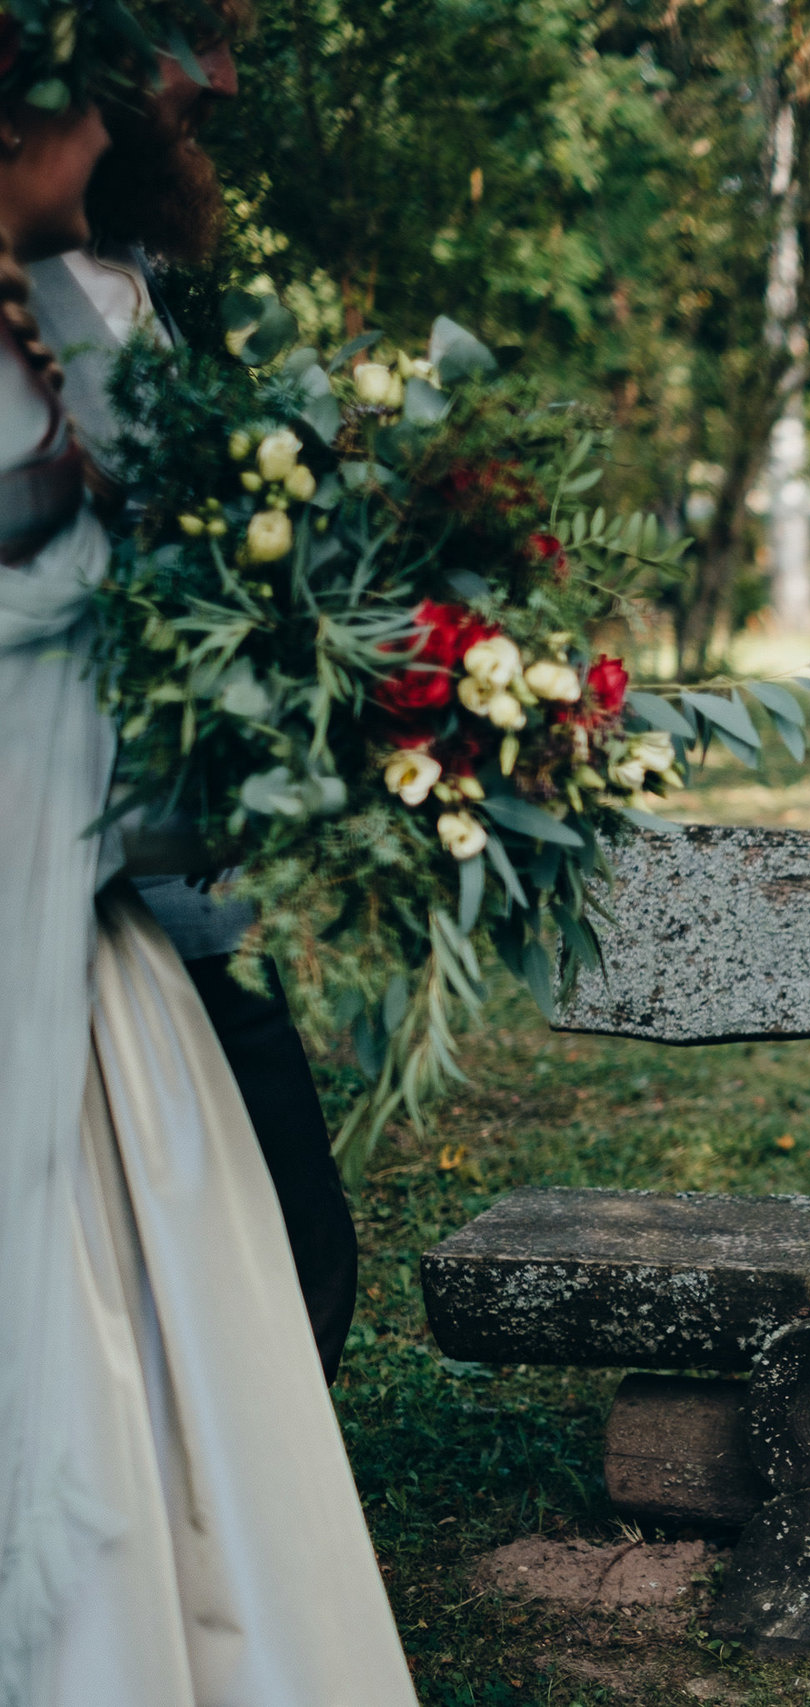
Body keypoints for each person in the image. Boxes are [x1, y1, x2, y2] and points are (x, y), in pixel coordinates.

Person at [0, 11, 418, 1702]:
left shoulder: (81, 317)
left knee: (238, 1314)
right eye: (109, 94)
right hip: (67, 935)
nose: (141, 126)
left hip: (112, 947)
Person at [23, 13, 362, 1384]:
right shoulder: (34, 304)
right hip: (71, 857)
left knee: (288, 1233)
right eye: (190, 40)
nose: (216, 82)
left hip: (163, 865)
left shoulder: (143, 282)